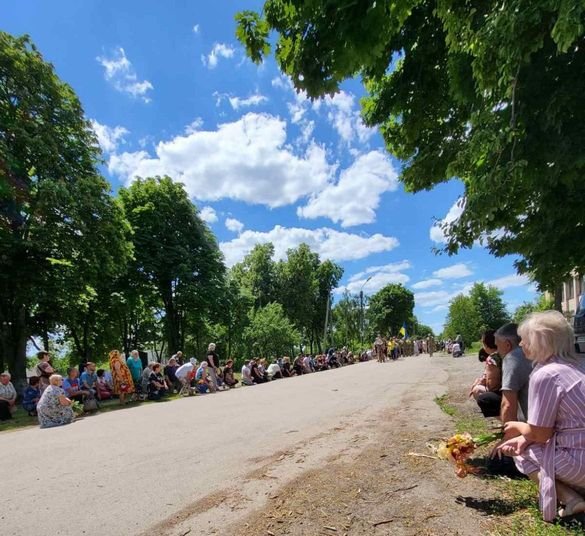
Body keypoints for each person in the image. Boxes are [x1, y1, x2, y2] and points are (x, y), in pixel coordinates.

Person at [497, 311, 585, 522]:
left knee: (520, 452)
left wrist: (518, 427)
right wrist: (525, 435)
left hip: (580, 461)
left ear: (539, 342)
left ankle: (571, 499)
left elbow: (540, 433)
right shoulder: (577, 365)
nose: (521, 345)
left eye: (525, 340)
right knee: (524, 443)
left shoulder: (546, 374)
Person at [495, 323, 532, 423]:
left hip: (535, 425)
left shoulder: (512, 358)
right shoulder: (535, 352)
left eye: (497, 346)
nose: (497, 351)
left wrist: (509, 435)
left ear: (507, 344)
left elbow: (508, 405)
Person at [470, 331, 502, 414]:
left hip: (506, 393)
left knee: (477, 390)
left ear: (486, 344)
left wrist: (482, 382)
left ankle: (505, 419)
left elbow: (492, 386)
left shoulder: (492, 358)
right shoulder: (505, 352)